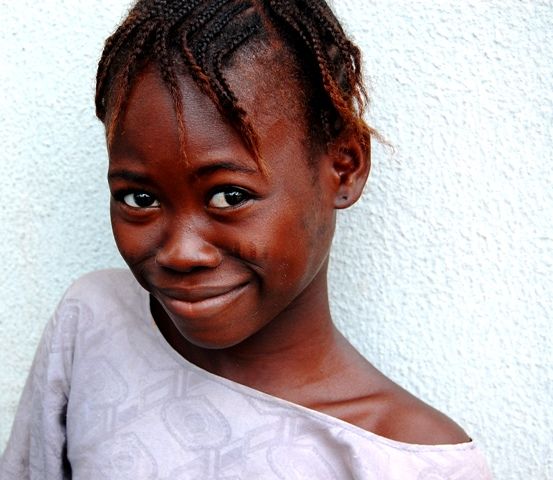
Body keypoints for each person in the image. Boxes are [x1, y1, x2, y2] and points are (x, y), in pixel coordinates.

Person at [1, 0, 492, 478]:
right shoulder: (95, 323)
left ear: (343, 167)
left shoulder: (411, 462)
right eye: (139, 199)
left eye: (230, 195)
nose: (180, 252)